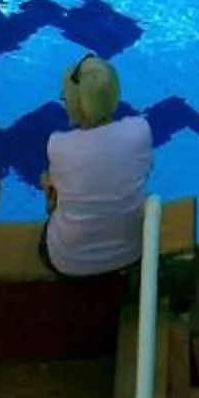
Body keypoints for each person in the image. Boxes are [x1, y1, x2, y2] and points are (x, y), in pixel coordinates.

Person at [39, 52, 155, 277]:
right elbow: (146, 168)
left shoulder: (58, 145)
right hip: (132, 252)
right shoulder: (140, 130)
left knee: (50, 184)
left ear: (74, 101)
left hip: (68, 261)